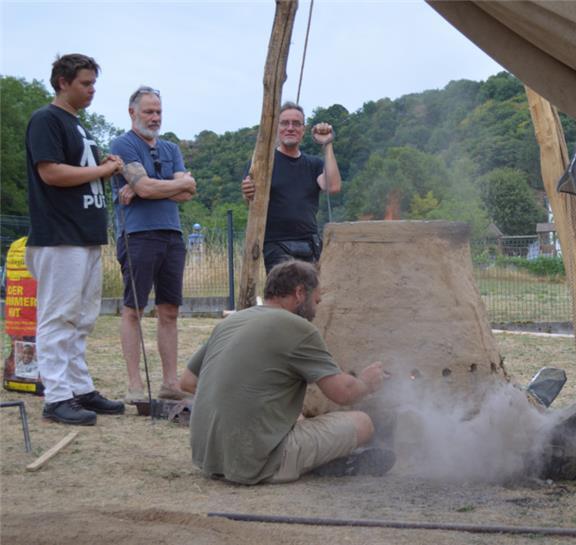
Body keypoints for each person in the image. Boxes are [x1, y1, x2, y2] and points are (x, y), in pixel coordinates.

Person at [187, 260, 395, 484]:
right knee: (362, 423)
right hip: (254, 462)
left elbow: (187, 381)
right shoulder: (297, 327)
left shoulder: (233, 320)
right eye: (316, 301)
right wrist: (366, 382)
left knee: (299, 420)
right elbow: (342, 393)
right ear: (299, 293)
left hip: (208, 458)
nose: (316, 310)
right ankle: (322, 462)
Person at [25, 53, 126, 425]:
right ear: (63, 82)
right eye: (85, 83)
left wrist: (105, 166)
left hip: (85, 235)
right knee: (58, 317)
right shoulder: (46, 120)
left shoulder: (79, 126)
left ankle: (79, 388)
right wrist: (102, 169)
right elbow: (50, 172)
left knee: (83, 318)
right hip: (59, 234)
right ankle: (55, 397)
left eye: (94, 83)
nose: (92, 90)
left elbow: (85, 171)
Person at [110, 86, 197, 402]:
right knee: (134, 309)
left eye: (158, 111)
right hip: (138, 235)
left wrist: (148, 187)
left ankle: (170, 383)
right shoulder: (122, 145)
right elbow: (150, 187)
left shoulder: (172, 147)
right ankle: (135, 386)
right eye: (149, 111)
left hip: (172, 234)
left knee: (170, 310)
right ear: (132, 112)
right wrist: (172, 184)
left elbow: (188, 192)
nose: (155, 117)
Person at [241, 102, 342, 273]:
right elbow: (249, 197)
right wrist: (247, 192)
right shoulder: (262, 162)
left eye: (296, 124)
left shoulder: (314, 164)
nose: (290, 128)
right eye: (285, 123)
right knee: (282, 297)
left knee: (310, 298)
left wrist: (328, 144)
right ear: (276, 128)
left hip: (309, 245)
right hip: (275, 244)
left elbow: (332, 186)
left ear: (303, 130)